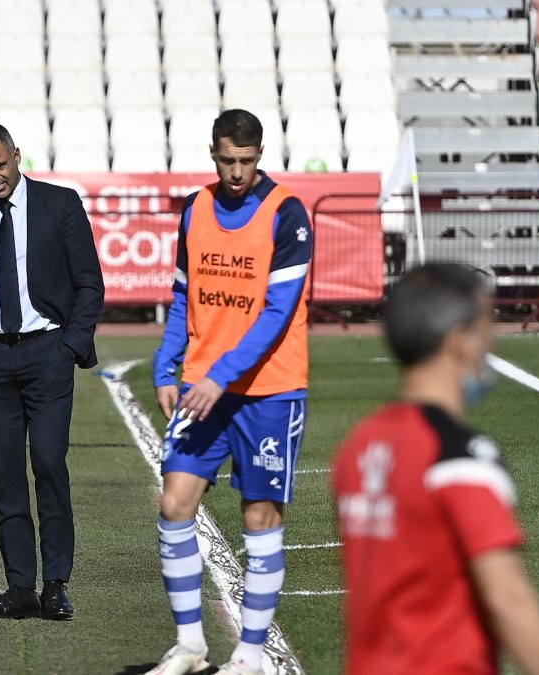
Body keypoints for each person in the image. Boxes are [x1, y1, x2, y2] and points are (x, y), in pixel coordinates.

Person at [146, 109, 312, 675]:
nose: (237, 171)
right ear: (212, 155)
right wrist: (167, 369)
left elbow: (277, 313)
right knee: (174, 505)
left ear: (259, 154)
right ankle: (191, 646)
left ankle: (250, 655)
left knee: (260, 516)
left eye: (246, 160)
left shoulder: (287, 214)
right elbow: (182, 296)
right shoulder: (195, 209)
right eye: (226, 160)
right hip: (202, 389)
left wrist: (221, 376)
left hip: (270, 391)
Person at [332, 264, 539, 675]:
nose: (492, 344)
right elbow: (507, 598)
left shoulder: (358, 445)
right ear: (460, 341)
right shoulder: (460, 455)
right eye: (487, 329)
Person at [0, 122, 104, 620]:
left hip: (47, 355)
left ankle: (56, 584)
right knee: (5, 476)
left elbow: (90, 285)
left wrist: (70, 346)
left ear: (17, 155)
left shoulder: (61, 204)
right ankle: (20, 587)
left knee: (51, 466)